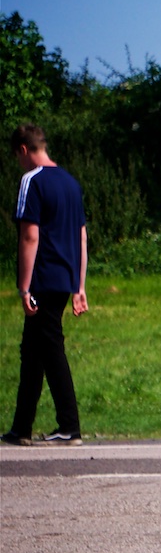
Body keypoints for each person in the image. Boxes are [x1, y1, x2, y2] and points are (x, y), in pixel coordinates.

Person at [5, 124, 87, 447]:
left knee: (50, 348)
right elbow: (81, 236)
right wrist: (79, 286)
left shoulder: (31, 180)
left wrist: (24, 288)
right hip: (65, 277)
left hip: (43, 277)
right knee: (33, 350)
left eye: (17, 156)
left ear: (23, 149)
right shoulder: (70, 183)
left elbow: (30, 235)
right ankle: (20, 428)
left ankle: (70, 426)